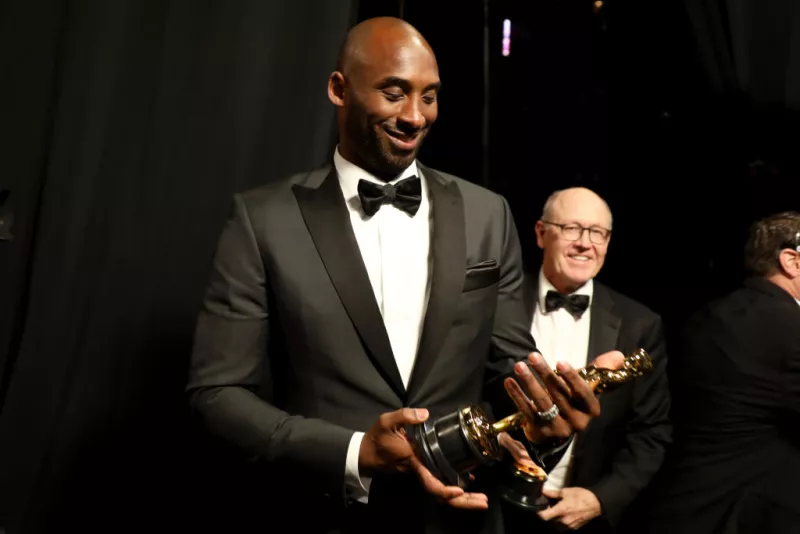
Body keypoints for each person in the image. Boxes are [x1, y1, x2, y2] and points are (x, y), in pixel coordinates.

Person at [185, 17, 609, 534]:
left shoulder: (487, 213)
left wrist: (549, 424)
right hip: (322, 513)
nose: (415, 116)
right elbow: (218, 394)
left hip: (463, 521)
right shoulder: (263, 219)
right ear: (339, 89)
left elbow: (506, 373)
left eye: (429, 97)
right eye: (394, 93)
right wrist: (356, 451)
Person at [505, 188, 671, 533]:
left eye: (597, 233)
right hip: (494, 506)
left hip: (583, 518)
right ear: (540, 233)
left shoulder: (639, 324)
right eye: (571, 228)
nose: (585, 243)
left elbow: (651, 432)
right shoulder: (496, 304)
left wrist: (601, 498)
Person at [643, 211, 800, 533]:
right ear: (792, 262)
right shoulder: (792, 329)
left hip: (681, 507)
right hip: (747, 515)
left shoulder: (704, 317)